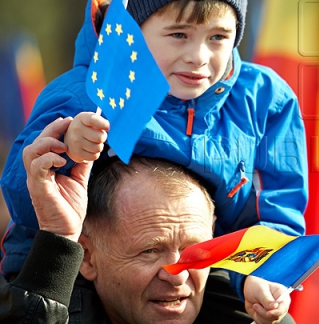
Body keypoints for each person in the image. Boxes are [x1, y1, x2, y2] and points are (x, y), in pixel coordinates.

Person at [0, 0, 309, 298]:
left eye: (218, 37)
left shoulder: (264, 101)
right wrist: (67, 149)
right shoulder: (88, 93)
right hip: (77, 271)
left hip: (203, 272)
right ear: (134, 27)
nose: (198, 57)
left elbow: (279, 208)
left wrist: (265, 274)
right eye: (178, 34)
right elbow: (19, 194)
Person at [0, 116, 291, 323]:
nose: (176, 274)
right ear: (87, 257)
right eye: (149, 250)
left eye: (195, 249)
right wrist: (59, 239)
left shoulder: (247, 312)